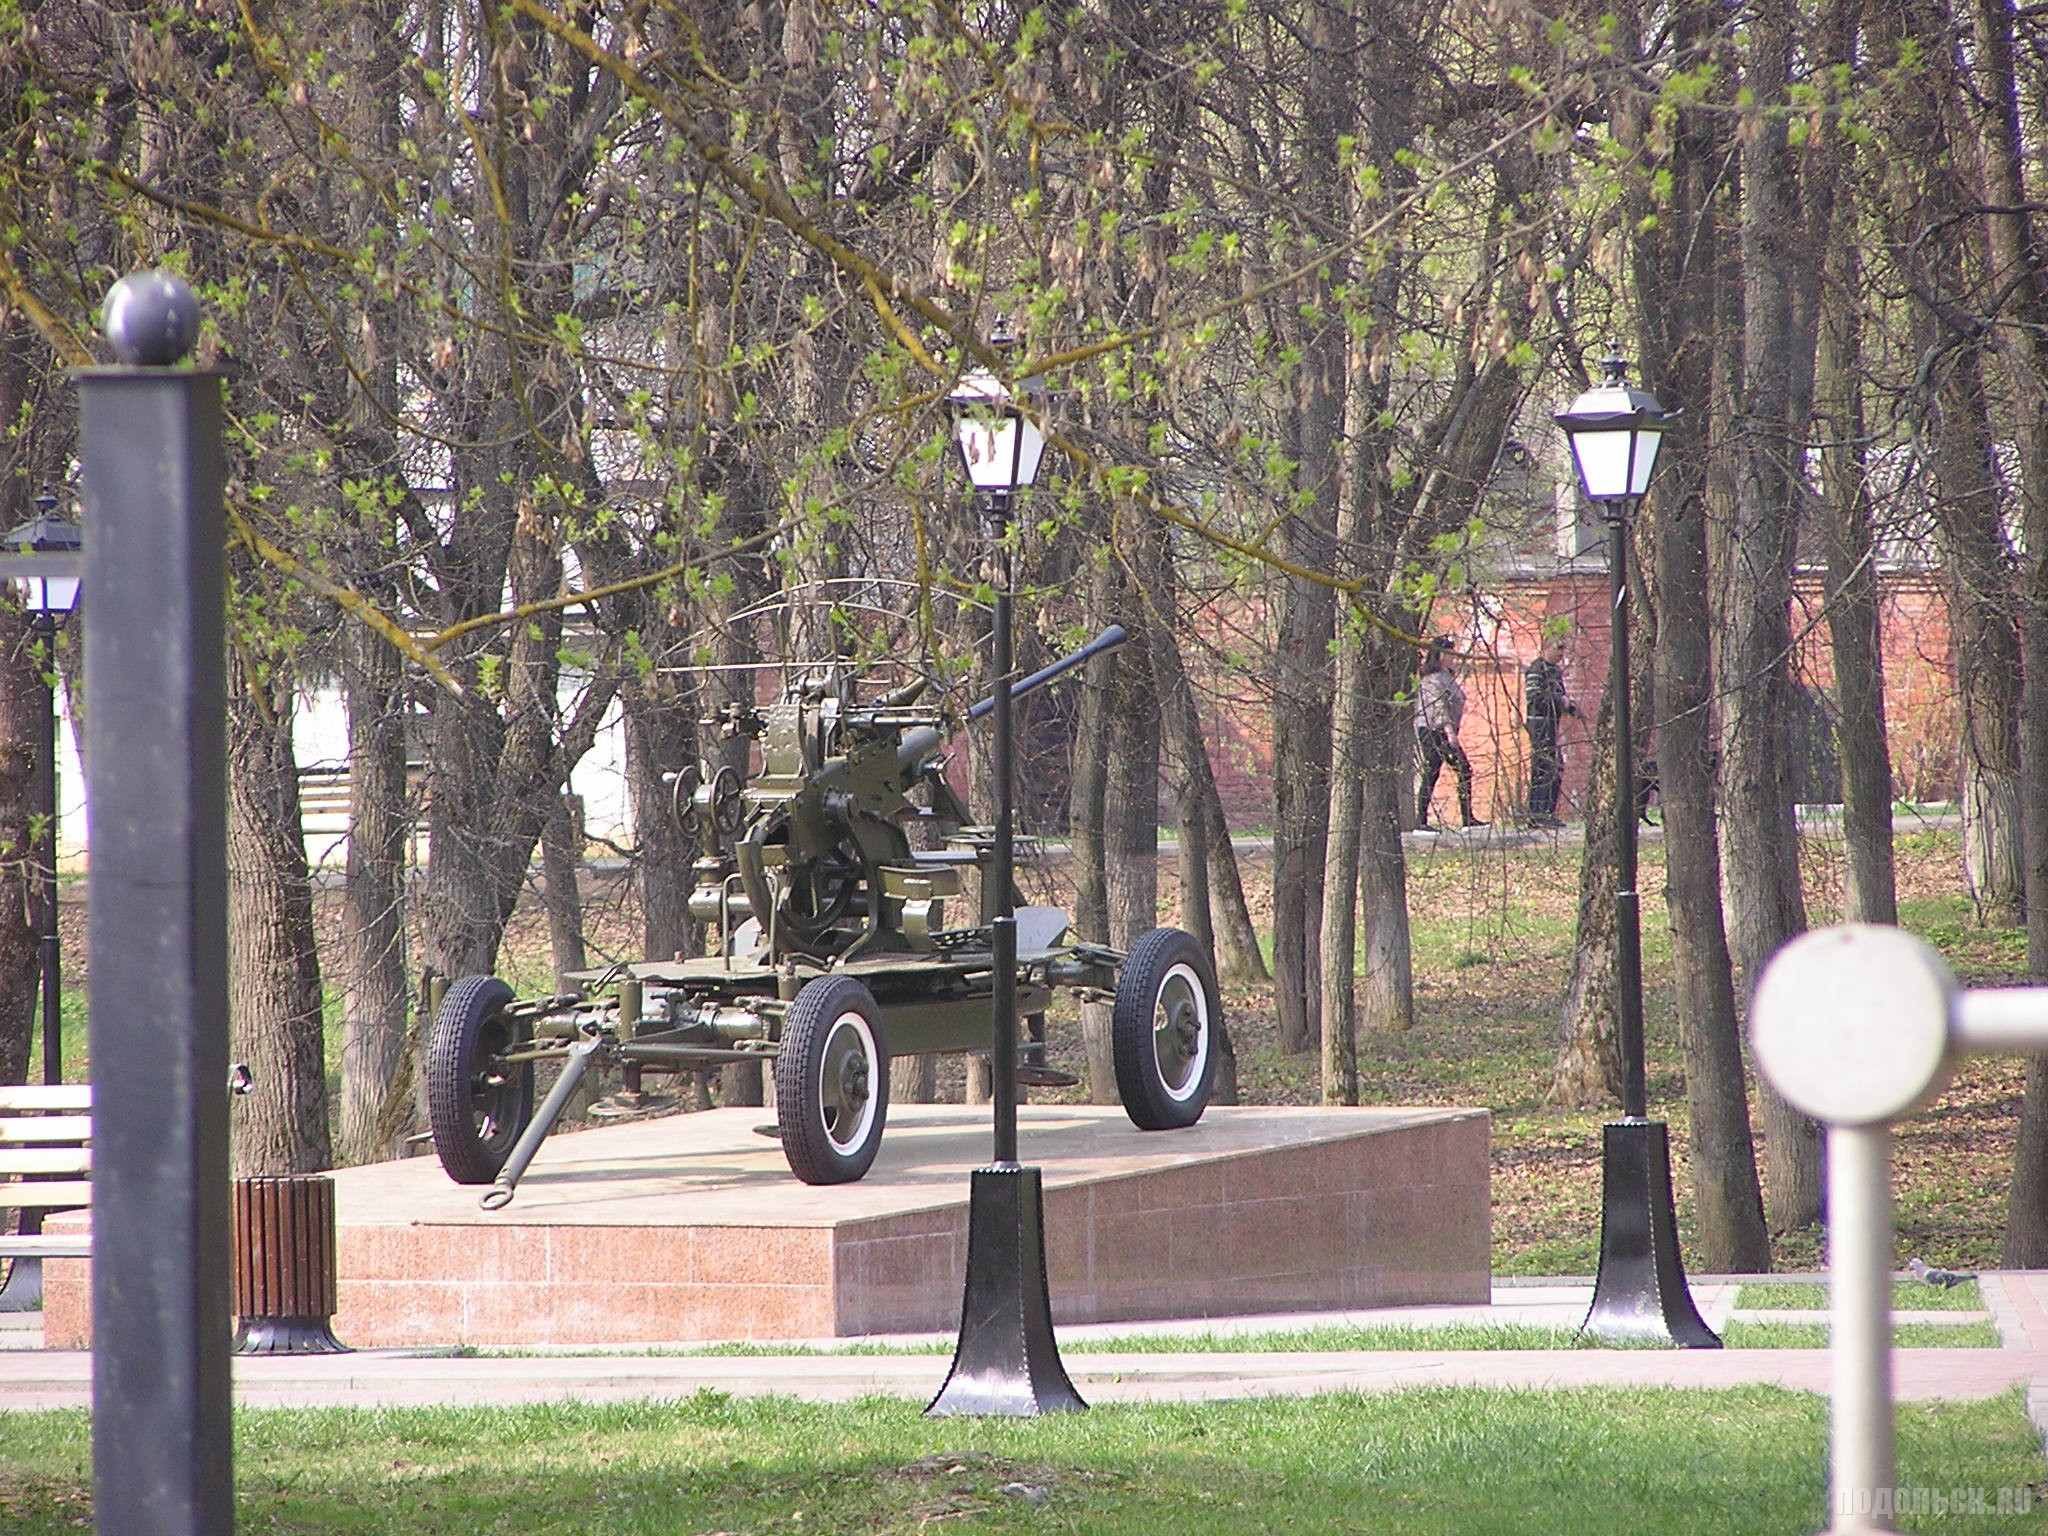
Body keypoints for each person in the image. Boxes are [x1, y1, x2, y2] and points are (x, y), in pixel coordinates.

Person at [1415, 637, 1483, 828]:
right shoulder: (1432, 678)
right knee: (1456, 769)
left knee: (1438, 772)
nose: (1453, 658)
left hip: (1443, 730)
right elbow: (1437, 707)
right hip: (1433, 731)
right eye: (1450, 654)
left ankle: (1466, 818)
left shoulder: (1446, 675)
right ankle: (1422, 820)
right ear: (1440, 654)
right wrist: (1449, 731)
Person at [1523, 634, 1578, 828]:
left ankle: (1547, 812)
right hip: (1539, 725)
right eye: (1558, 648)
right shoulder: (1537, 669)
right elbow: (1534, 698)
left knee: (1555, 767)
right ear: (1546, 648)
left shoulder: (1554, 671)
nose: (1561, 654)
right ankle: (1537, 814)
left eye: (1564, 650)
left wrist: (1571, 708)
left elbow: (1560, 696)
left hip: (1551, 724)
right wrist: (1558, 701)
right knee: (1544, 767)